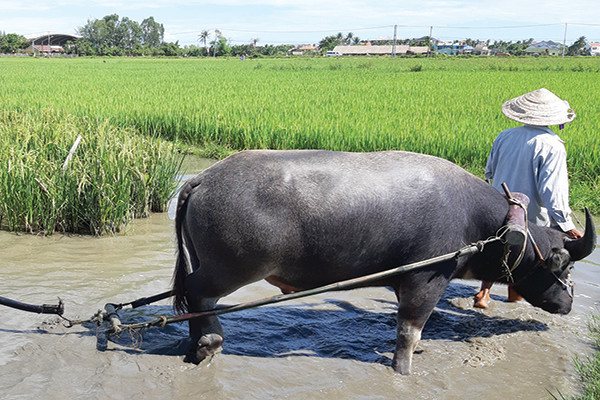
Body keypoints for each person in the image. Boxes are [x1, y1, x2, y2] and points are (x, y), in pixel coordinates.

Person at [474, 88, 583, 309]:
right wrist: (566, 224)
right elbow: (552, 191)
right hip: (531, 216)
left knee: (496, 247)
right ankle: (514, 300)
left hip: (499, 205)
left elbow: (489, 172)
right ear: (554, 118)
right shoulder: (552, 145)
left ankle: (483, 294)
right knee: (525, 260)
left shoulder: (505, 136)